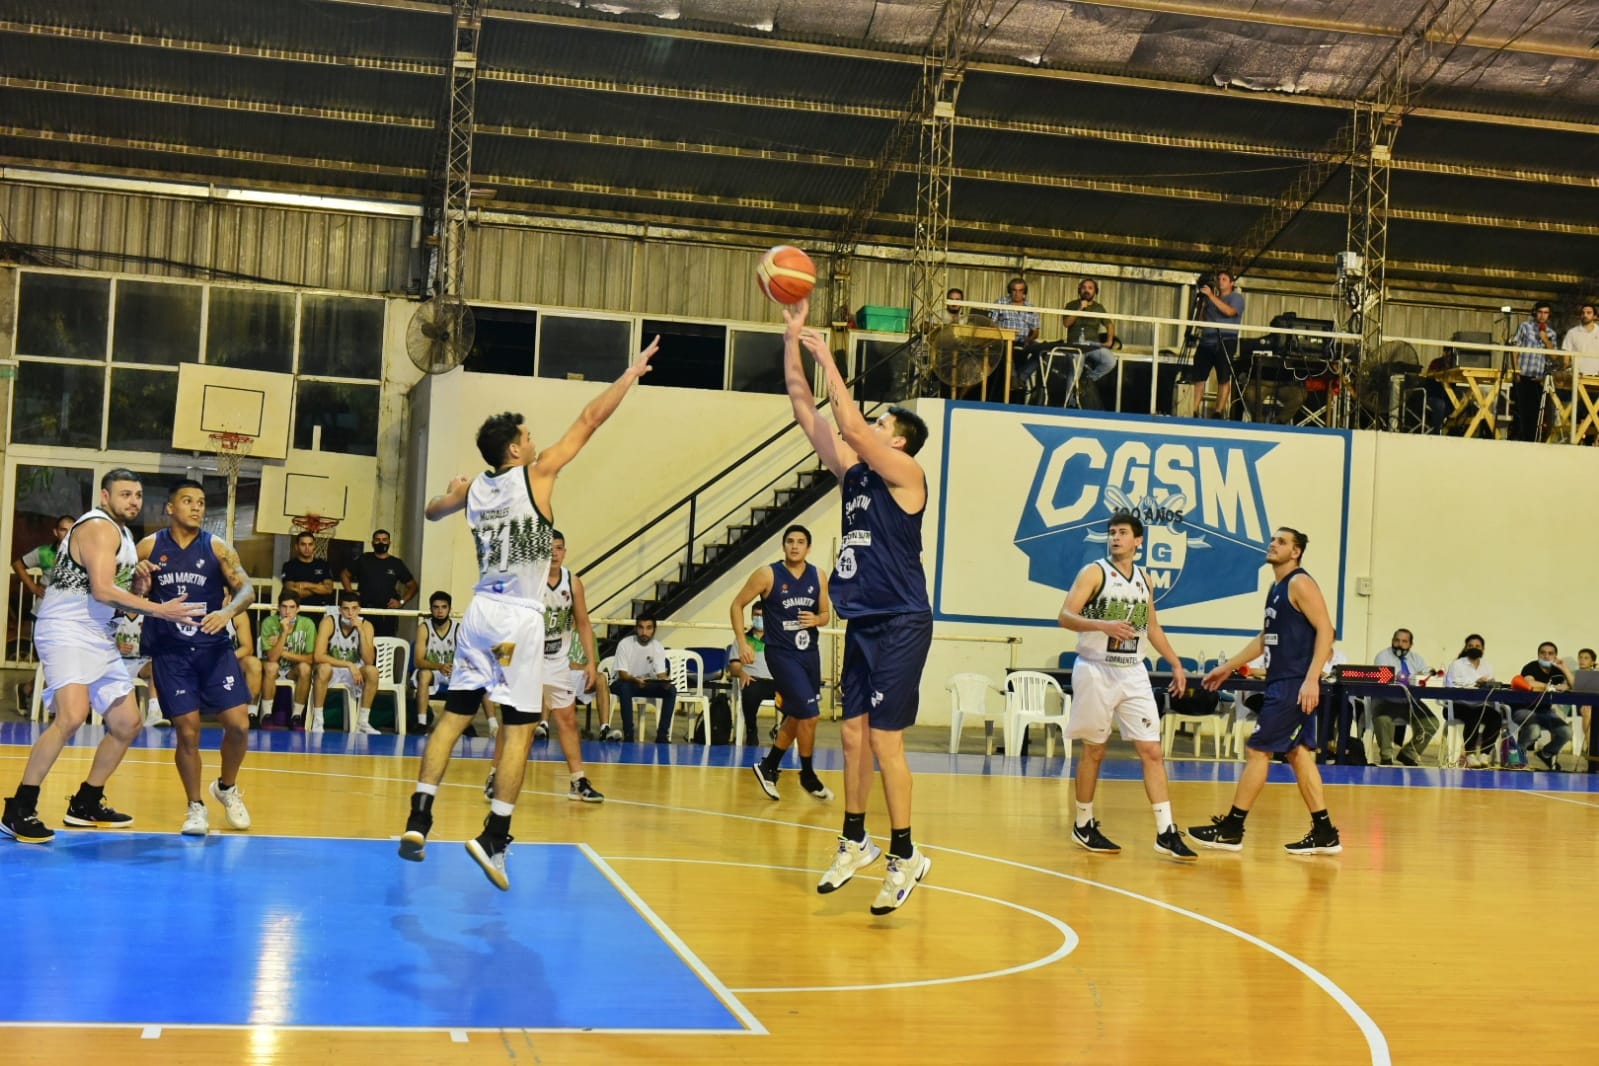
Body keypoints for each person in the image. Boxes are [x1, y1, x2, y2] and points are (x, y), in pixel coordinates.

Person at [398, 336, 660, 890]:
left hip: (478, 614)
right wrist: (630, 374)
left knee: (455, 715)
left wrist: (454, 490)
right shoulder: (534, 478)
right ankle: (496, 836)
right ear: (515, 450)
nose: (536, 442)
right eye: (528, 436)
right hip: (518, 617)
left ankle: (420, 814)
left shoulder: (476, 490)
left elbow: (431, 508)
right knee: (521, 727)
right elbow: (589, 420)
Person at [785, 297, 935, 915]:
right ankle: (855, 841)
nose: (868, 424)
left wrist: (829, 356)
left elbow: (847, 423)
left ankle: (907, 854)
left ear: (897, 438)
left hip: (902, 621)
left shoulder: (906, 474)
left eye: (880, 422)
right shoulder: (856, 477)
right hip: (864, 622)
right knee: (850, 737)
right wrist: (792, 339)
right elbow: (804, 410)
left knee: (886, 744)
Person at [1, 470, 205, 844]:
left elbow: (121, 606)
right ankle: (19, 807)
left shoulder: (123, 535)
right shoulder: (99, 528)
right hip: (66, 628)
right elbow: (102, 589)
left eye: (139, 495)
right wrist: (159, 609)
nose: (134, 501)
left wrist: (141, 586)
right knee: (72, 716)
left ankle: (86, 801)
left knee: (127, 723)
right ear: (104, 495)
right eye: (125, 493)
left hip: (97, 634)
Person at [1190, 526, 1342, 855]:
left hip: (1293, 683)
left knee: (1258, 751)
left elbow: (1326, 630)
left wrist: (1312, 678)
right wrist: (1227, 666)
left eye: (1282, 542)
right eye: (1273, 540)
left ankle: (1232, 828)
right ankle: (1325, 832)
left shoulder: (1300, 582)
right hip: (1283, 680)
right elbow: (1266, 638)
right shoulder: (1276, 588)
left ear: (1296, 551)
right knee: (1299, 755)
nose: (1273, 544)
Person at [1056, 511, 1196, 861]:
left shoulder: (1144, 579)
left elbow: (1152, 626)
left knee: (1151, 750)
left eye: (1122, 532)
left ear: (1138, 541)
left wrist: (1176, 663)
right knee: (1095, 750)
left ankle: (1166, 831)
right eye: (1112, 532)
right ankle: (1083, 824)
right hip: (1096, 669)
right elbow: (1064, 616)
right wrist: (1103, 625)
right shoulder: (1094, 572)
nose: (1115, 537)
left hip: (1133, 671)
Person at [136, 480, 257, 836]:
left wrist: (228, 612)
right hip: (172, 654)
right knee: (187, 733)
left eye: (202, 502)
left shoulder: (217, 547)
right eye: (188, 501)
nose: (196, 507)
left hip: (213, 650)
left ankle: (226, 787)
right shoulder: (149, 545)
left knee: (238, 726)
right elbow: (129, 596)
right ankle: (195, 807)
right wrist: (139, 581)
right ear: (170, 507)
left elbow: (246, 588)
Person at [482, 531, 606, 803]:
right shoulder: (527, 582)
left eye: (559, 548)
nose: (554, 553)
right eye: (549, 548)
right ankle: (495, 775)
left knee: (568, 719)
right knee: (514, 723)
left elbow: (583, 623)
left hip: (556, 661)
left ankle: (578, 780)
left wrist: (591, 662)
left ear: (565, 552)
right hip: (526, 660)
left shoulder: (573, 583)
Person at [736, 525, 834, 802]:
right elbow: (736, 604)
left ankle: (769, 766)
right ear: (784, 545)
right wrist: (742, 643)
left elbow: (825, 613)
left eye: (800, 542)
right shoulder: (768, 574)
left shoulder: (819, 575)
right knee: (811, 714)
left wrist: (817, 620)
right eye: (790, 541)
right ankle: (806, 774)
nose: (794, 546)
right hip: (781, 653)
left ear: (808, 547)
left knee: (796, 714)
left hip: (809, 654)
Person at [311, 592, 380, 734]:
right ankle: (318, 721)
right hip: (333, 668)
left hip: (355, 672)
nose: (350, 613)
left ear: (359, 609)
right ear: (339, 609)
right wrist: (349, 665)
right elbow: (318, 656)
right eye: (346, 609)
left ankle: (363, 722)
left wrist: (360, 632)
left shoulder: (366, 625)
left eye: (354, 608)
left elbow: (369, 660)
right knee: (323, 669)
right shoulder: (329, 622)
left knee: (373, 672)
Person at [1186, 270, 1245, 420]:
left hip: (1225, 340)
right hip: (1207, 341)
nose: (1220, 281)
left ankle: (1218, 412)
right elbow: (1201, 320)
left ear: (1231, 283)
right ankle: (1193, 409)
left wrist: (1211, 296)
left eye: (1224, 279)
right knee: (1199, 377)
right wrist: (1202, 302)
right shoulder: (1211, 299)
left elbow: (1230, 312)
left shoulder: (1236, 297)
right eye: (1219, 279)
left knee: (1223, 377)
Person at [610, 615, 677, 743]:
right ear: (636, 628)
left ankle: (662, 736)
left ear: (654, 630)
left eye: (648, 628)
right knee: (624, 688)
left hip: (646, 684)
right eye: (641, 628)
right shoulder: (625, 644)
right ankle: (629, 734)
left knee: (671, 691)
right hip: (625, 682)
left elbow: (661, 673)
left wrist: (665, 681)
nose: (644, 632)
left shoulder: (657, 646)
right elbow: (622, 674)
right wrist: (635, 680)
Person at [1370, 628, 1431, 766]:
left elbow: (1425, 676)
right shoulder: (1382, 656)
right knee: (1382, 719)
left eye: (1404, 641)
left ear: (1410, 644)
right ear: (1392, 641)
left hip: (1410, 702)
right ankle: (1386, 756)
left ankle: (1408, 753)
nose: (1399, 644)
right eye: (1397, 640)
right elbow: (1386, 677)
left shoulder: (1417, 659)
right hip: (1386, 701)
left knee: (1431, 723)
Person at [340, 529, 417, 637]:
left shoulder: (396, 563)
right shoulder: (364, 559)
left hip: (387, 614)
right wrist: (351, 595)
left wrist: (401, 602)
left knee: (385, 646)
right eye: (378, 540)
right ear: (372, 543)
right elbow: (345, 575)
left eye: (384, 540)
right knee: (362, 643)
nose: (381, 542)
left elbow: (413, 586)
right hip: (364, 610)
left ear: (389, 542)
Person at [258, 590, 317, 727]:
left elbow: (310, 659)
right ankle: (266, 716)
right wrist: (284, 632)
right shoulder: (269, 622)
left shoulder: (307, 624)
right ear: (278, 607)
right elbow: (272, 658)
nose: (287, 611)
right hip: (274, 669)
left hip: (293, 670)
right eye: (284, 607)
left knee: (305, 668)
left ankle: (296, 716)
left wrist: (282, 651)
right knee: (272, 666)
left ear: (298, 609)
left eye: (292, 607)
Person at [1444, 633, 1501, 767]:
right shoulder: (1457, 664)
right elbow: (1451, 684)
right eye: (1470, 646)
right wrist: (1476, 682)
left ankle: (1484, 754)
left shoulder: (1488, 666)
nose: (1474, 648)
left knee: (1496, 717)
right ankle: (1469, 755)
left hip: (1480, 704)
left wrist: (1490, 684)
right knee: (1474, 714)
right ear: (1466, 648)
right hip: (1457, 705)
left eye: (1477, 646)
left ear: (1483, 649)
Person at [1060, 278, 1119, 409]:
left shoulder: (1099, 308)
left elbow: (1109, 325)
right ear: (1079, 291)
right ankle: (1070, 403)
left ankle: (1087, 379)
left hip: (1093, 344)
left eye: (1090, 288)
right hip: (1075, 343)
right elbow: (1066, 323)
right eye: (1084, 287)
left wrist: (1109, 341)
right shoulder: (1071, 304)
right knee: (1076, 369)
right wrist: (1080, 308)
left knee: (1110, 361)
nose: (1086, 290)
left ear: (1095, 291)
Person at [1511, 301, 1565, 442]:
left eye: (1545, 313)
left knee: (1536, 410)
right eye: (1540, 312)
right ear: (1535, 312)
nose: (1542, 316)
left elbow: (1554, 357)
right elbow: (1515, 347)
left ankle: (1532, 439)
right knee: (1521, 409)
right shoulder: (1525, 327)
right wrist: (1516, 369)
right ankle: (1521, 437)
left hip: (1539, 377)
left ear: (1549, 315)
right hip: (1523, 373)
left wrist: (1545, 340)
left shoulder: (1551, 333)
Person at [1516, 641, 1573, 770]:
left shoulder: (1557, 671)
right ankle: (1517, 757)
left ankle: (1546, 753)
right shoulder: (1531, 667)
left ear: (1555, 656)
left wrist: (1565, 668)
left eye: (1550, 653)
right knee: (1534, 730)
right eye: (1543, 653)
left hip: (1545, 712)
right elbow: (1529, 682)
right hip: (1524, 710)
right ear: (1538, 655)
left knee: (1567, 732)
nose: (1546, 656)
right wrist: (1551, 687)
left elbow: (1574, 686)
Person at [728, 602, 777, 743]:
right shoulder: (742, 640)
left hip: (776, 681)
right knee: (750, 692)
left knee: (794, 695)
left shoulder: (777, 640)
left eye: (762, 615)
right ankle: (751, 730)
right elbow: (734, 666)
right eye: (756, 615)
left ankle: (781, 729)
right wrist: (742, 673)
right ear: (751, 616)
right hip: (754, 680)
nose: (759, 618)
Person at [412, 590, 458, 733]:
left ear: (449, 609)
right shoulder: (424, 628)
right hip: (432, 671)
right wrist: (439, 666)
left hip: (452, 672)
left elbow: (467, 658)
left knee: (471, 677)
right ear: (431, 609)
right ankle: (422, 723)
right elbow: (418, 661)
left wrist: (456, 667)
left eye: (444, 607)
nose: (440, 611)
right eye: (436, 607)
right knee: (424, 675)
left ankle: (465, 724)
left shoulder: (458, 629)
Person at [11, 513, 74, 606]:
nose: (67, 534)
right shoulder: (44, 552)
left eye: (71, 530)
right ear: (55, 532)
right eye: (63, 530)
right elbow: (17, 565)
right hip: (44, 609)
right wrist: (33, 588)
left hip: (71, 612)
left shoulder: (83, 554)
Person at [280, 531, 335, 609]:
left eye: (310, 544)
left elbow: (328, 589)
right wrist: (319, 587)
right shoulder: (289, 566)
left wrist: (305, 585)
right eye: (303, 544)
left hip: (319, 610)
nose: (307, 548)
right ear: (296, 546)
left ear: (314, 546)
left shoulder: (323, 565)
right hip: (296, 610)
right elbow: (292, 592)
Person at [1563, 302, 1599, 375]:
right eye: (1583, 313)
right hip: (1577, 376)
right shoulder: (1572, 332)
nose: (1585, 315)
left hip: (1597, 376)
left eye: (1588, 313)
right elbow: (1566, 357)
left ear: (1595, 316)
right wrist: (1567, 370)